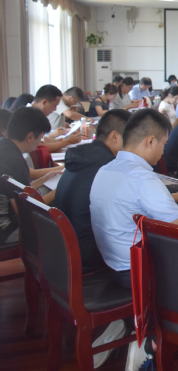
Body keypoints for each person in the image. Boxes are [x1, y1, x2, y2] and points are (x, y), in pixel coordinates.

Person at [91, 109, 178, 288]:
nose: (163, 151)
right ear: (151, 141)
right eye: (164, 144)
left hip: (112, 264)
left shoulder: (105, 170)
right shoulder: (143, 178)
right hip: (137, 271)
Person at [52, 109, 131, 272]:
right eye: (131, 139)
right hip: (86, 253)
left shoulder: (84, 157)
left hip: (61, 247)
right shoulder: (107, 166)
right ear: (114, 136)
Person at [0, 108, 63, 244]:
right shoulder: (15, 161)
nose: (40, 143)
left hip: (6, 216)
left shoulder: (4, 146)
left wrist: (44, 179)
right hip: (6, 231)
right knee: (59, 233)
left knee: (45, 188)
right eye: (40, 138)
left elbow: (15, 189)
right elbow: (26, 213)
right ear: (30, 137)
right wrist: (60, 190)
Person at [30, 85, 83, 152]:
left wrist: (56, 141)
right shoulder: (30, 117)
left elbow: (41, 139)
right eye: (54, 105)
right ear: (44, 102)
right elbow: (40, 147)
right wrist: (68, 141)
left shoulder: (33, 114)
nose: (55, 109)